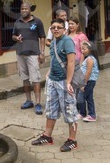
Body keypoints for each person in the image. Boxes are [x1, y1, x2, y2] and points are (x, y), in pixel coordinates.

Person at [32, 18, 79, 152]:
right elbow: (55, 60)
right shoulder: (53, 42)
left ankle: (72, 140)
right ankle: (47, 136)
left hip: (64, 81)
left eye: (59, 27)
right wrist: (49, 72)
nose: (56, 29)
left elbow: (71, 62)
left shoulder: (67, 41)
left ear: (64, 29)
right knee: (51, 110)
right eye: (53, 27)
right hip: (52, 80)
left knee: (69, 111)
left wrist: (68, 82)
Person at [12, 2, 46, 115]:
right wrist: (16, 38)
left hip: (34, 54)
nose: (23, 10)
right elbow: (13, 36)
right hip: (21, 54)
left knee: (35, 79)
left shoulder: (37, 22)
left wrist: (42, 53)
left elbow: (42, 38)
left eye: (26, 8)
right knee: (25, 79)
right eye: (22, 8)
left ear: (30, 10)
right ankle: (28, 100)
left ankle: (37, 103)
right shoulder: (17, 22)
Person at [77, 41, 100, 122]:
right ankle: (91, 114)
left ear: (90, 49)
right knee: (89, 98)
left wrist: (84, 84)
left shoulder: (90, 59)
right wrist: (83, 55)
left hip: (89, 81)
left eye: (84, 49)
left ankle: (84, 113)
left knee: (80, 98)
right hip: (88, 81)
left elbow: (88, 72)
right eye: (81, 49)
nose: (82, 51)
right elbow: (80, 66)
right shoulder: (87, 58)